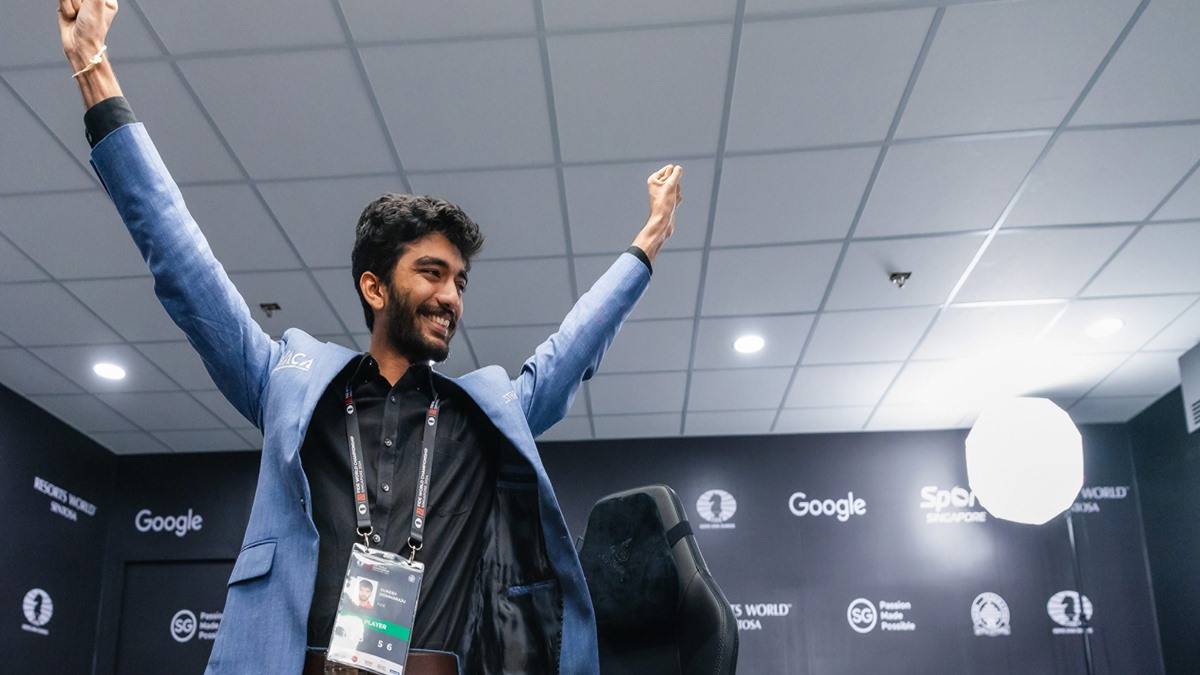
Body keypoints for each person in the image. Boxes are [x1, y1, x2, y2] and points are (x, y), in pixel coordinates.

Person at [57, 1, 681, 674]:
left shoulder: (483, 416)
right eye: (432, 273)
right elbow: (184, 265)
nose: (452, 296)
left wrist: (647, 244)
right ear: (375, 288)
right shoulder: (287, 383)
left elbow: (573, 347)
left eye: (460, 281)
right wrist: (93, 69)